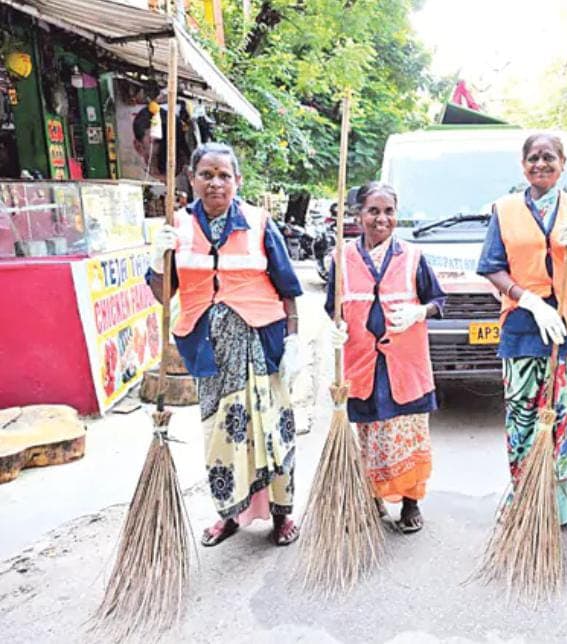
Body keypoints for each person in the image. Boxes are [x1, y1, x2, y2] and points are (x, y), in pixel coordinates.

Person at [147, 142, 303, 547]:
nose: (216, 183)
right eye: (207, 175)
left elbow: (287, 287)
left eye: (224, 175)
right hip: (208, 351)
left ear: (238, 181)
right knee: (220, 436)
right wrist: (156, 258)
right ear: (192, 178)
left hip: (262, 345)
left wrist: (294, 340)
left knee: (273, 431)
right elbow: (164, 296)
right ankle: (229, 515)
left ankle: (282, 515)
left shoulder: (259, 222)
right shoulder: (176, 226)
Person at [477, 133, 567, 527]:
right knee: (524, 417)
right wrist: (528, 301)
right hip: (523, 329)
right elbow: (491, 266)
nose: (541, 164)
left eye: (548, 157)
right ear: (523, 166)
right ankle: (526, 494)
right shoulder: (505, 210)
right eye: (533, 158)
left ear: (562, 163)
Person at [323, 181, 445, 534]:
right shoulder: (341, 258)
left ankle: (410, 503)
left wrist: (420, 312)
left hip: (404, 365)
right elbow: (333, 304)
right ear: (358, 216)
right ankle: (371, 496)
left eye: (388, 211)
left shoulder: (412, 256)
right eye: (373, 211)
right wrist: (336, 327)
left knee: (406, 433)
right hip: (362, 362)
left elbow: (439, 300)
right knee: (370, 434)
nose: (381, 219)